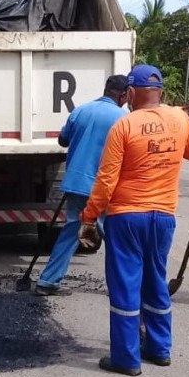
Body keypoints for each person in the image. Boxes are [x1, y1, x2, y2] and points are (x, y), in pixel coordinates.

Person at [78, 64, 189, 376]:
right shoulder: (179, 118)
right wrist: (186, 125)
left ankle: (126, 358)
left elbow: (106, 179)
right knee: (155, 281)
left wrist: (89, 216)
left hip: (127, 217)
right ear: (160, 91)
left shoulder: (124, 125)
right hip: (163, 217)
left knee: (125, 286)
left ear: (130, 93)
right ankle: (160, 349)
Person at [34, 75, 129, 296]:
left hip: (76, 183)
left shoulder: (81, 111)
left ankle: (47, 281)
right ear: (123, 95)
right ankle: (124, 288)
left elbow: (63, 140)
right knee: (114, 238)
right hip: (103, 187)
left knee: (70, 233)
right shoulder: (123, 119)